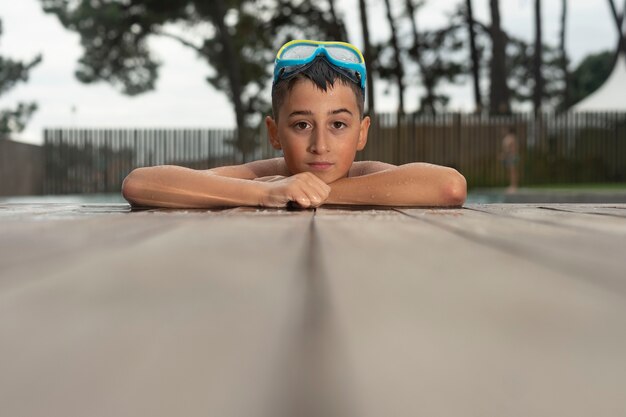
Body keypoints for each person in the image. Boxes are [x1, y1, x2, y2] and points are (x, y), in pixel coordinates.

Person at [122, 40, 466, 208]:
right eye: (302, 125)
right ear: (274, 132)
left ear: (362, 133)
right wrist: (265, 192)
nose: (320, 144)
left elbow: (449, 187)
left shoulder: (367, 174)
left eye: (339, 125)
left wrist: (306, 196)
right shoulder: (265, 176)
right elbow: (139, 184)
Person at [500, 126, 519, 193]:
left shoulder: (511, 138)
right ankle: (512, 185)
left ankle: (513, 186)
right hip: (510, 156)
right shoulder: (510, 138)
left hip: (511, 156)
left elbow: (512, 148)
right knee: (511, 172)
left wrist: (506, 154)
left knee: (512, 172)